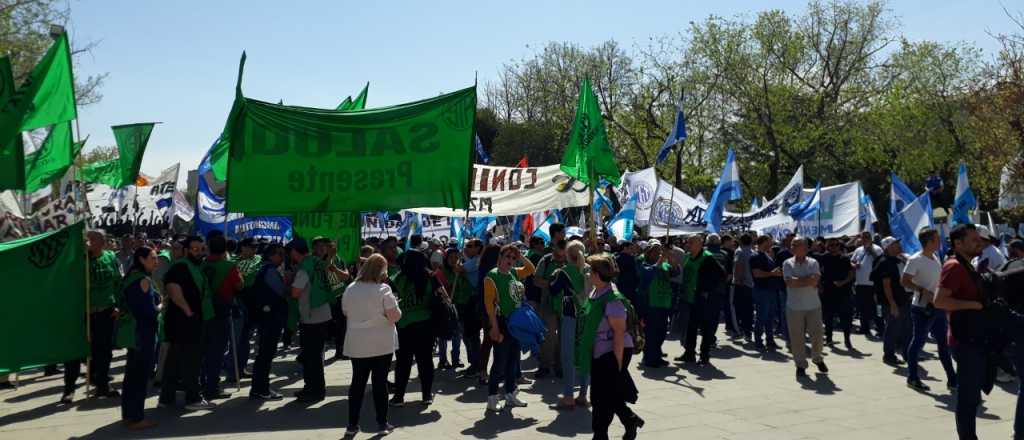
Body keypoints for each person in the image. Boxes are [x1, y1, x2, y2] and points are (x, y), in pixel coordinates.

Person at [581, 254, 643, 440]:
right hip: (600, 353)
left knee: (601, 399)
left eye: (589, 270)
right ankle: (629, 420)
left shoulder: (612, 299)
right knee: (608, 394)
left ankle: (600, 435)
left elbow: (618, 334)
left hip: (612, 353)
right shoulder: (596, 291)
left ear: (597, 274)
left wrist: (617, 366)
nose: (587, 274)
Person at [934, 224, 987, 439]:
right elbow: (939, 300)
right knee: (967, 398)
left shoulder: (967, 265)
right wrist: (974, 306)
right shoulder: (954, 266)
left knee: (972, 396)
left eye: (979, 239)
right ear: (958, 243)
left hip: (972, 338)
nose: (979, 243)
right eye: (974, 239)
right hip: (963, 340)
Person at [343, 254, 401, 436]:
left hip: (357, 342)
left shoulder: (351, 288)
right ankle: (382, 423)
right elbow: (395, 316)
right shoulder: (384, 289)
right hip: (381, 343)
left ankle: (352, 425)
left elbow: (345, 311)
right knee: (379, 383)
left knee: (357, 383)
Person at [61, 230, 122, 403]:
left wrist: (118, 305)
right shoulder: (79, 260)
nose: (88, 241)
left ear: (102, 242)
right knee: (76, 350)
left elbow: (118, 283)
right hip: (82, 313)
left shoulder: (110, 257)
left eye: (92, 238)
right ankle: (69, 389)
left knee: (103, 351)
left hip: (105, 312)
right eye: (86, 239)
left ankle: (102, 385)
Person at [159, 235, 215, 411]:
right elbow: (173, 290)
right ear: (186, 251)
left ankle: (166, 398)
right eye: (194, 249)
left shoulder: (194, 266)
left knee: (175, 361)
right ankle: (193, 398)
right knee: (192, 361)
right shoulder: (181, 266)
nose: (198, 252)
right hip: (185, 321)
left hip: (187, 320)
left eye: (201, 249)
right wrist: (188, 311)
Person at [902, 228, 957, 391]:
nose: (940, 241)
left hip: (937, 306)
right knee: (918, 342)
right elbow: (904, 281)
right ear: (930, 241)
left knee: (943, 343)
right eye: (937, 239)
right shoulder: (915, 259)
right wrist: (921, 290)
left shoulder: (934, 257)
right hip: (922, 309)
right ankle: (912, 377)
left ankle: (952, 379)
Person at [484, 244, 536, 412]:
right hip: (502, 322)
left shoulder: (514, 272)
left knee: (513, 361)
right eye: (508, 256)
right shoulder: (492, 276)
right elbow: (489, 306)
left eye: (513, 258)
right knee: (499, 362)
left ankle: (510, 394)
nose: (511, 260)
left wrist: (520, 256)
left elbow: (530, 268)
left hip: (516, 323)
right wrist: (494, 328)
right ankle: (492, 398)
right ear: (500, 257)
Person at [390, 248, 439, 406]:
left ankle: (399, 397)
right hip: (426, 324)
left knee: (403, 363)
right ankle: (426, 395)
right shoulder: (430, 277)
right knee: (425, 361)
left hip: (404, 326)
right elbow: (443, 297)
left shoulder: (397, 278)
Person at [118, 247, 160, 430]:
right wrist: (161, 305)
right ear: (141, 260)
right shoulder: (142, 280)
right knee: (140, 377)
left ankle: (129, 415)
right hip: (143, 333)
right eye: (152, 258)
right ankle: (136, 417)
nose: (156, 261)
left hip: (134, 333)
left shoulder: (130, 277)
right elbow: (148, 312)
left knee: (131, 375)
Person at [201, 233, 243, 401]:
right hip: (221, 310)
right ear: (225, 249)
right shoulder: (229, 266)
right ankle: (212, 388)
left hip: (204, 311)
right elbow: (239, 285)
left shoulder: (202, 265)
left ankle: (203, 383)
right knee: (217, 352)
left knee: (204, 350)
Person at [289, 238, 332, 402]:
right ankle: (314, 388)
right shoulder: (316, 261)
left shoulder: (304, 268)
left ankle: (315, 390)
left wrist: (288, 283)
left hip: (312, 316)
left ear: (294, 252)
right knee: (314, 355)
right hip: (323, 312)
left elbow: (295, 293)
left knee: (311, 357)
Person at [550, 240, 591, 410]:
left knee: (568, 356)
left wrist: (554, 276)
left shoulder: (564, 271)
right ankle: (583, 395)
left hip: (570, 315)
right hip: (588, 317)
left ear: (567, 255)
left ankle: (568, 396)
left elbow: (553, 290)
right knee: (585, 356)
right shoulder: (590, 269)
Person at [783, 237, 828, 378]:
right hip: (794, 307)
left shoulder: (813, 262)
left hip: (813, 305)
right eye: (792, 245)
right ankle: (800, 365)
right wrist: (808, 280)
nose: (793, 247)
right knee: (797, 338)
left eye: (796, 245)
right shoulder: (787, 263)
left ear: (805, 248)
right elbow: (790, 283)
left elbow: (815, 280)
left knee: (817, 336)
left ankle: (817, 358)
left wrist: (800, 280)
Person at [249, 244, 289, 400]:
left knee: (264, 354)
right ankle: (261, 389)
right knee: (266, 354)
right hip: (270, 318)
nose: (282, 258)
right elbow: (282, 292)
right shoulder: (270, 271)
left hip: (266, 317)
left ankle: (259, 388)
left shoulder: (263, 268)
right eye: (280, 254)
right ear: (272, 255)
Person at [681, 234, 727, 366]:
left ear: (700, 244)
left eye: (691, 242)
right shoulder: (688, 256)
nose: (688, 245)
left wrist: (706, 290)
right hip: (689, 297)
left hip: (703, 299)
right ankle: (689, 354)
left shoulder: (707, 257)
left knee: (705, 328)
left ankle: (704, 355)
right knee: (691, 328)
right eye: (688, 242)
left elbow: (721, 275)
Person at [874, 236, 911, 366]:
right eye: (895, 244)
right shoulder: (885, 262)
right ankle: (889, 355)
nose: (899, 245)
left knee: (905, 328)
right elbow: (886, 284)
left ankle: (907, 354)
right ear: (888, 247)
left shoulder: (898, 259)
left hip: (902, 299)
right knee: (892, 329)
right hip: (892, 302)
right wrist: (892, 304)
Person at [533, 239, 568, 378]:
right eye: (559, 248)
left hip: (566, 304)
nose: (562, 253)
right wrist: (553, 284)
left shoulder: (571, 260)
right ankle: (544, 366)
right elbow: (536, 280)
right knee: (548, 337)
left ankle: (560, 366)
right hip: (548, 304)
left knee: (563, 338)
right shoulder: (546, 260)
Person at [638, 240, 673, 367]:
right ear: (648, 252)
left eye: (659, 250)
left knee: (661, 332)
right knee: (651, 333)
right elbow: (649, 272)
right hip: (651, 304)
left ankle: (657, 355)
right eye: (655, 250)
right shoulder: (643, 264)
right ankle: (649, 358)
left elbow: (675, 271)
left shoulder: (664, 264)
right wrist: (661, 260)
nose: (658, 253)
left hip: (664, 303)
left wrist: (670, 256)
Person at [437, 248, 470, 370]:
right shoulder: (440, 272)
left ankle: (456, 358)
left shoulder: (461, 271)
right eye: (451, 257)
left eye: (456, 257)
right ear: (446, 258)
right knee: (443, 335)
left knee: (457, 334)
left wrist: (461, 275)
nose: (454, 260)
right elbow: (439, 288)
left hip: (459, 306)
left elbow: (466, 287)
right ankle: (442, 360)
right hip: (445, 307)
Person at [819, 238, 855, 348]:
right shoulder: (823, 258)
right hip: (828, 291)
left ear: (839, 246)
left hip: (843, 292)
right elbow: (818, 272)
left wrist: (843, 282)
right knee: (828, 317)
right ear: (827, 247)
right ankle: (829, 338)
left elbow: (851, 274)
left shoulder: (845, 258)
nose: (834, 247)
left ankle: (847, 340)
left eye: (836, 245)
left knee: (845, 318)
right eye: (831, 245)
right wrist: (820, 285)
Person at [751, 235, 783, 351]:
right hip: (761, 290)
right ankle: (758, 341)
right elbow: (757, 273)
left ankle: (770, 340)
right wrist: (772, 274)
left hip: (770, 290)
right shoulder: (755, 256)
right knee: (762, 316)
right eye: (770, 241)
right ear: (764, 242)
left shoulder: (767, 255)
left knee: (770, 317)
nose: (772, 243)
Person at [458, 239, 483, 377]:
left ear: (478, 248)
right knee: (470, 335)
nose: (467, 248)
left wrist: (461, 258)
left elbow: (460, 269)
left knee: (472, 335)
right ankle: (475, 364)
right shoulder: (474, 259)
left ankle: (477, 365)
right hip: (472, 300)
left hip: (476, 300)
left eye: (470, 246)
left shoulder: (478, 260)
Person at [851, 232, 885, 337]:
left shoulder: (878, 249)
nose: (865, 239)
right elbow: (851, 261)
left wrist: (873, 253)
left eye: (867, 237)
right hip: (860, 283)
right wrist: (854, 265)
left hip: (873, 284)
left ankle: (881, 329)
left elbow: (882, 262)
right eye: (863, 237)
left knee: (876, 308)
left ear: (871, 238)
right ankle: (864, 328)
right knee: (862, 307)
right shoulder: (858, 250)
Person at [732, 233, 755, 342]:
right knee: (749, 309)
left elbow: (738, 266)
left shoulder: (739, 251)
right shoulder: (752, 251)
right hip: (751, 284)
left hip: (742, 284)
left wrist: (738, 280)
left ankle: (740, 331)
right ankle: (748, 332)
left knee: (738, 308)